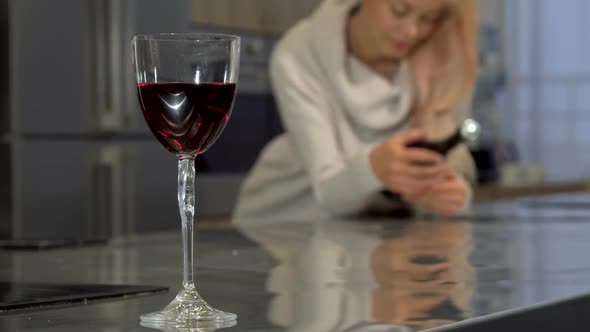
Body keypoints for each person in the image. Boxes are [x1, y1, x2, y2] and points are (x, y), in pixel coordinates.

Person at [233, 0, 479, 222]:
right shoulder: (300, 51)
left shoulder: (440, 58)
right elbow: (328, 192)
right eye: (399, 10)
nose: (411, 32)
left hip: (373, 235)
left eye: (427, 19)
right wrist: (374, 168)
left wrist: (450, 196)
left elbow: (452, 168)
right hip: (279, 223)